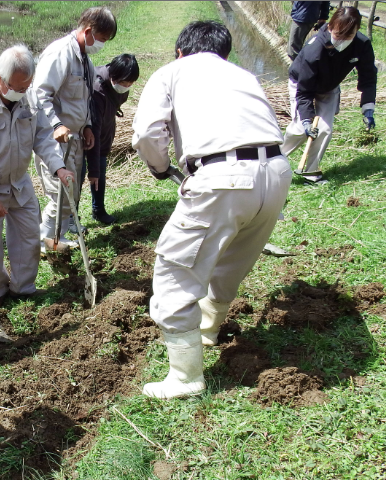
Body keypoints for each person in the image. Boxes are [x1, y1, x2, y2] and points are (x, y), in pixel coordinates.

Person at [132, 21, 290, 399]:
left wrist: (158, 167)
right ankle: (206, 331)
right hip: (276, 174)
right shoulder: (242, 74)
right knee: (229, 260)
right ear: (224, 52)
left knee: (173, 274)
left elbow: (147, 133)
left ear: (180, 51)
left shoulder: (172, 71)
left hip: (224, 177)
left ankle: (186, 377)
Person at [0, 45, 72, 312]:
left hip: (20, 184)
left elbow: (43, 137)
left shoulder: (28, 98)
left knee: (29, 238)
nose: (22, 93)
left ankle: (23, 289)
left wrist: (58, 167)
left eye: (26, 87)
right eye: (17, 87)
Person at [29, 6, 117, 249]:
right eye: (101, 39)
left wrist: (87, 126)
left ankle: (60, 235)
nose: (101, 44)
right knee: (59, 194)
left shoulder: (84, 58)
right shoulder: (60, 53)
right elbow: (40, 94)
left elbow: (85, 98)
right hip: (55, 140)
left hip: (76, 138)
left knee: (71, 194)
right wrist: (57, 124)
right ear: (88, 31)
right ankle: (47, 241)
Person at [281, 6, 377, 185]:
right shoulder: (314, 49)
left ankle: (311, 172)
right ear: (331, 27)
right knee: (300, 129)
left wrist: (368, 107)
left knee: (324, 130)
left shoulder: (362, 45)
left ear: (356, 31)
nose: (341, 40)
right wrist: (307, 120)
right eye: (338, 34)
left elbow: (368, 78)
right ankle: (275, 159)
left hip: (329, 87)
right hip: (302, 84)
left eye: (348, 36)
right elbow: (304, 93)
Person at [85, 53, 140, 225]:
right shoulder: (97, 90)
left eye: (130, 83)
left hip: (105, 128)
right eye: (125, 83)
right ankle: (71, 219)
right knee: (83, 174)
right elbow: (94, 129)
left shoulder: (120, 84)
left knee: (101, 171)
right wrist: (92, 171)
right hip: (86, 133)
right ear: (113, 78)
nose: (128, 86)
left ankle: (98, 210)